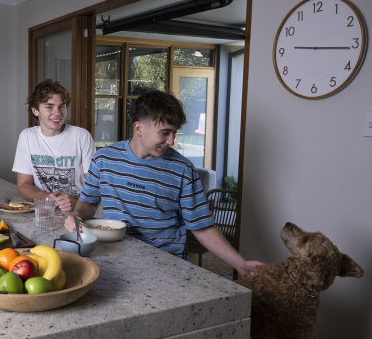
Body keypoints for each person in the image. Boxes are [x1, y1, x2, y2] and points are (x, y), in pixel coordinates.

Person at [64, 90, 261, 277]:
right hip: (115, 260)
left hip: (168, 266)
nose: (171, 140)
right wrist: (76, 217)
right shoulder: (103, 160)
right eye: (165, 133)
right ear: (139, 128)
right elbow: (88, 204)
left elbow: (202, 226)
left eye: (175, 133)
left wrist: (240, 264)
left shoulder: (183, 170)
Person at [12, 79, 95, 212]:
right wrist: (47, 198)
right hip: (44, 211)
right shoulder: (27, 136)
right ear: (35, 111)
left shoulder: (82, 136)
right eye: (49, 107)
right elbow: (23, 185)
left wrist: (75, 201)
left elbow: (94, 187)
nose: (57, 113)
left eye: (61, 106)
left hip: (77, 212)